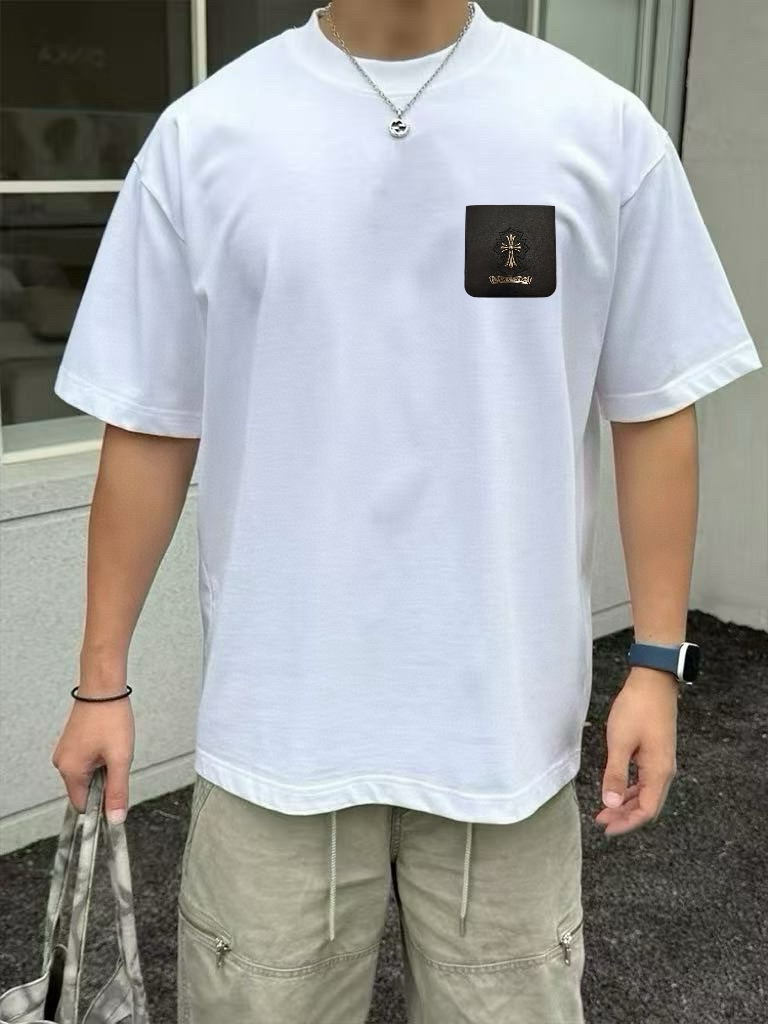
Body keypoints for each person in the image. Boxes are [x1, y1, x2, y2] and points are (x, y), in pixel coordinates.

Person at [49, 2, 763, 1021]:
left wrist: (656, 661)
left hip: (505, 731)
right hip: (277, 726)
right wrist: (100, 682)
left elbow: (653, 409)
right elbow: (151, 424)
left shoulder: (599, 130)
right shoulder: (209, 135)